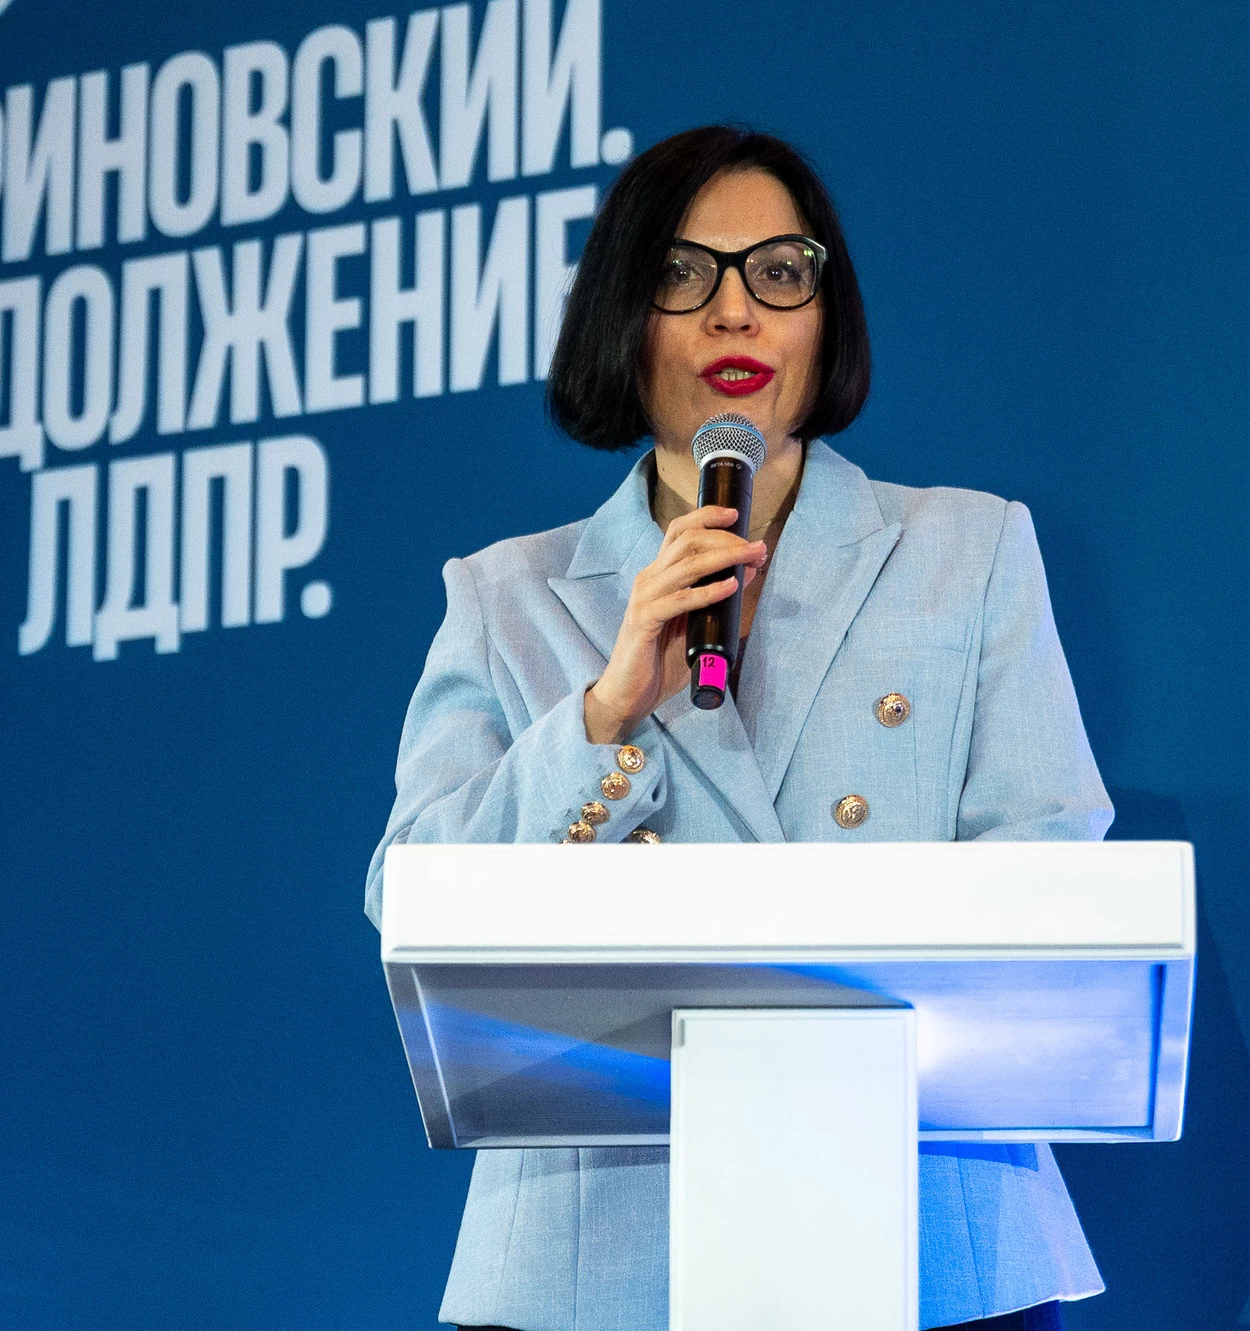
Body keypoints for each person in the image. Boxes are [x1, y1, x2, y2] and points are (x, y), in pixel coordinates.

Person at [365, 125, 1111, 1331]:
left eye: (777, 271)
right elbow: (412, 901)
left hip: (925, 1234)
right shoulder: (505, 595)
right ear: (623, 316)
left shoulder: (967, 549)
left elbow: (1047, 862)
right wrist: (603, 712)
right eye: (682, 273)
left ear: (826, 312)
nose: (734, 312)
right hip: (599, 1258)